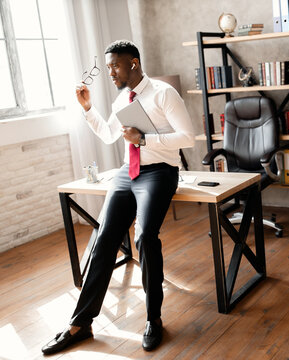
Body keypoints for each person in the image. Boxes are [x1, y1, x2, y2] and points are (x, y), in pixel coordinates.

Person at [41, 40, 195, 354]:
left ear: (134, 63)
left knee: (145, 237)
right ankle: (81, 323)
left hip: (160, 170)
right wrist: (87, 108)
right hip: (129, 171)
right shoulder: (122, 99)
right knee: (104, 238)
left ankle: (153, 319)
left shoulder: (164, 93)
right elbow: (111, 134)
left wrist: (145, 138)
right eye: (108, 66)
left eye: (115, 66)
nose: (110, 72)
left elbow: (187, 137)